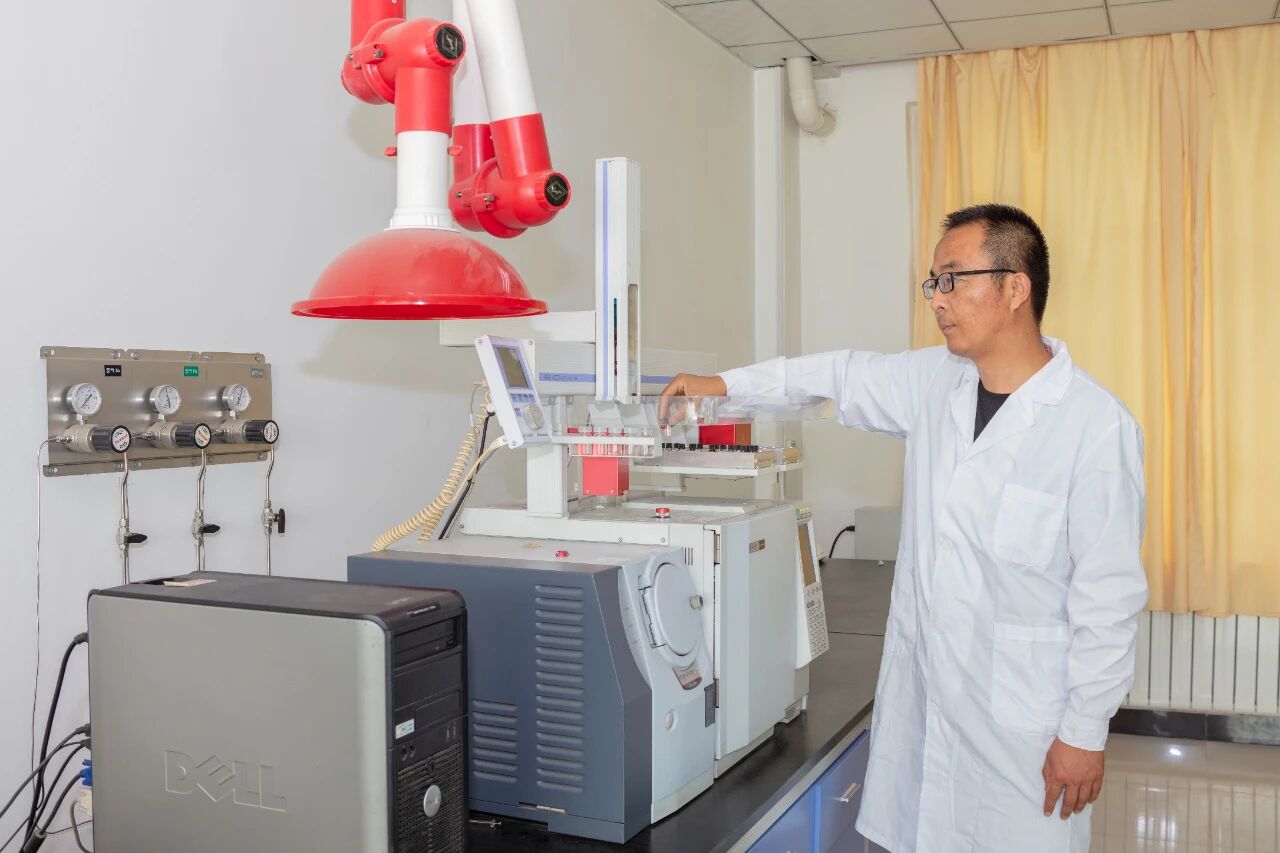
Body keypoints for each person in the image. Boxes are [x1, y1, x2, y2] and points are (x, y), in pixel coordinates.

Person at [661, 204, 1147, 852]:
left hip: (1021, 734)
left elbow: (1108, 600)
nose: (937, 300)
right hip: (925, 711)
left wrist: (1084, 733)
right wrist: (722, 386)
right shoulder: (935, 383)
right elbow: (834, 376)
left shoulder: (1094, 426)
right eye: (932, 283)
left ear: (1015, 287)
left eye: (953, 279)